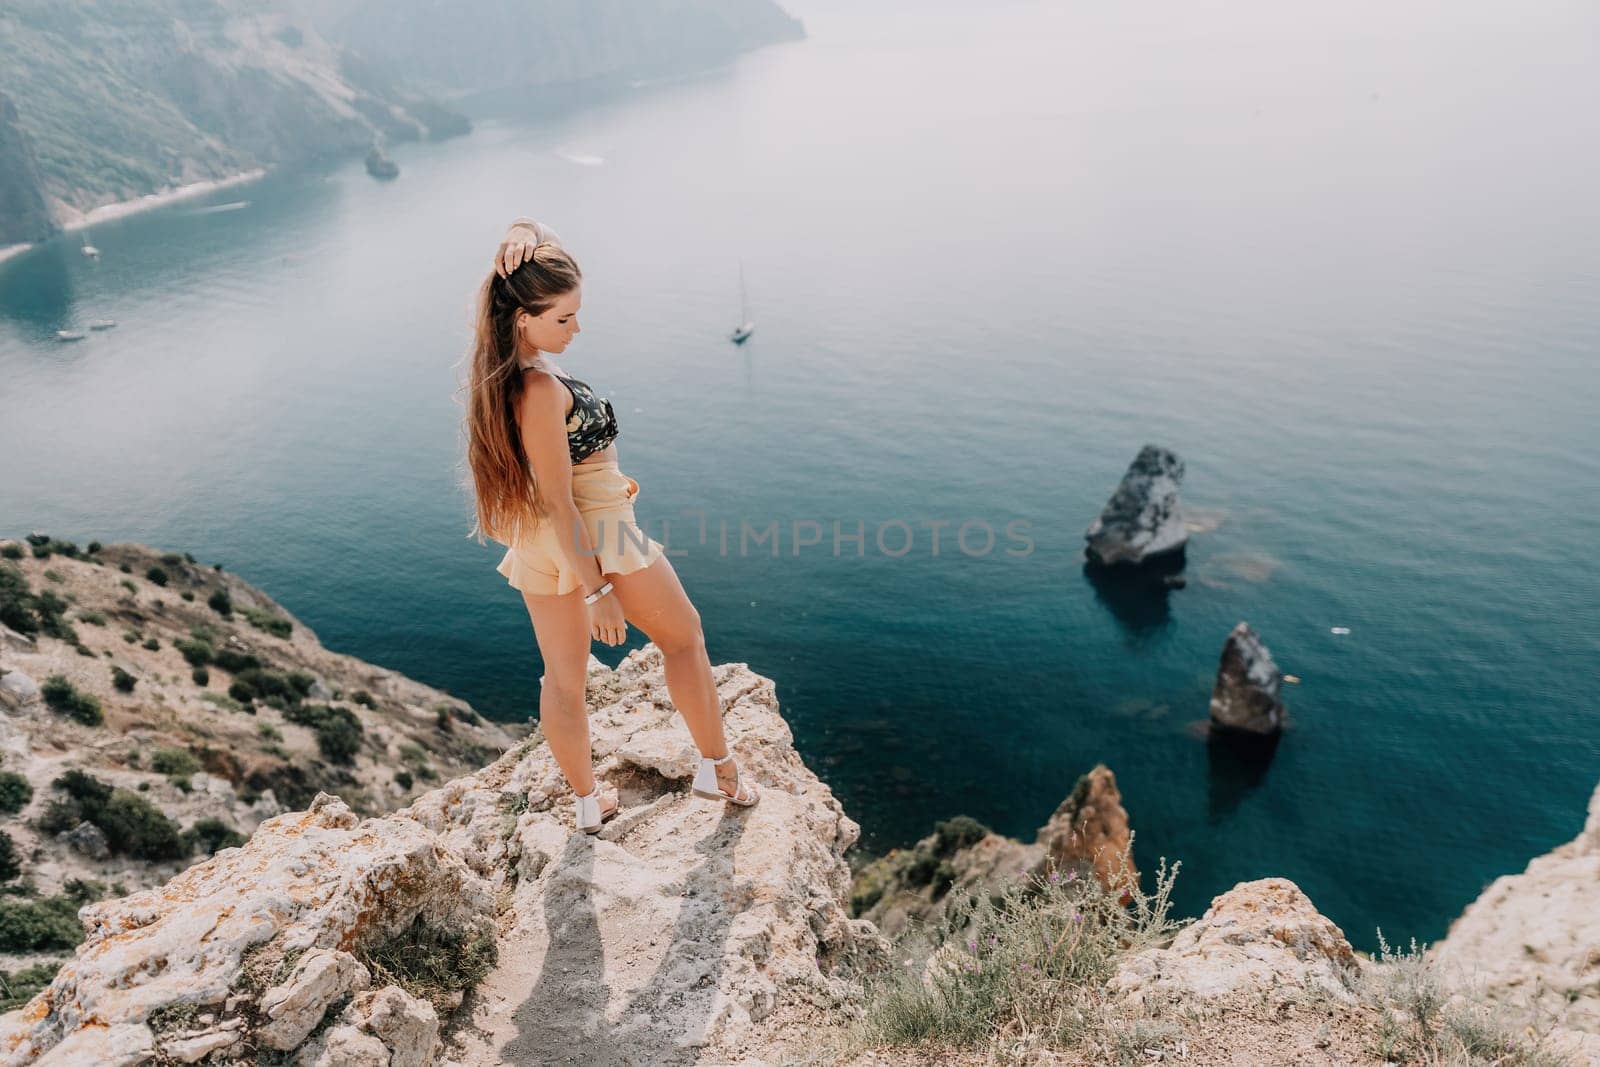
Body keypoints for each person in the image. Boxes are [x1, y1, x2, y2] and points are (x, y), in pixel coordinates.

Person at [462, 216, 758, 834]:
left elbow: (543, 505)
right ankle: (718, 769)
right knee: (684, 638)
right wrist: (598, 592)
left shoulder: (510, 375)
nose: (576, 329)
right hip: (597, 531)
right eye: (563, 319)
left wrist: (523, 230)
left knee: (563, 681)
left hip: (541, 543)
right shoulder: (539, 388)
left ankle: (589, 805)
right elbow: (560, 499)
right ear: (523, 319)